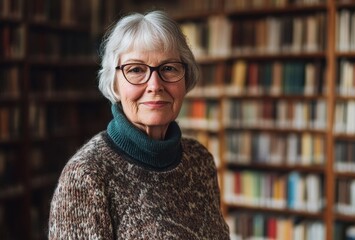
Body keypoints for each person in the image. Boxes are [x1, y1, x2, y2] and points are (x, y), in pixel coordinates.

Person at [48, 10, 230, 239]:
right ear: (114, 84)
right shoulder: (86, 176)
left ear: (186, 78)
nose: (155, 85)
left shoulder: (200, 160)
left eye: (168, 68)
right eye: (135, 70)